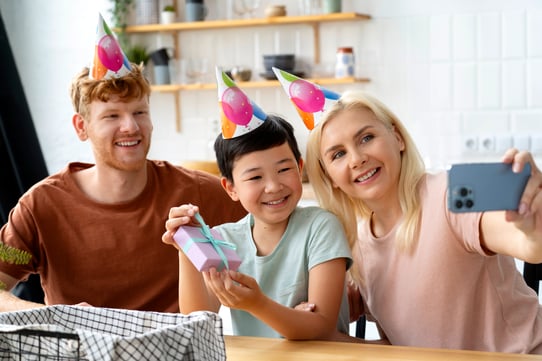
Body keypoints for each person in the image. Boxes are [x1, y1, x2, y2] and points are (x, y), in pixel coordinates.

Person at [0, 15, 246, 313]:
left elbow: (279, 229)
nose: (131, 126)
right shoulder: (40, 206)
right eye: (112, 116)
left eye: (139, 112)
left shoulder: (200, 192)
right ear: (81, 127)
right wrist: (53, 318)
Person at [303, 89, 542, 353]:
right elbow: (408, 343)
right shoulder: (355, 246)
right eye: (338, 154)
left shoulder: (448, 194)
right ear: (330, 180)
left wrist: (532, 227)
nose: (357, 159)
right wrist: (320, 316)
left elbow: (529, 245)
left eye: (366, 138)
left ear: (397, 138)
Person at [161, 70, 353, 340]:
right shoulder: (224, 241)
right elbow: (197, 322)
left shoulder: (320, 227)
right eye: (255, 177)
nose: (273, 186)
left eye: (284, 169)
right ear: (231, 188)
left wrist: (257, 304)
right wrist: (187, 247)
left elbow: (320, 327)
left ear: (300, 168)